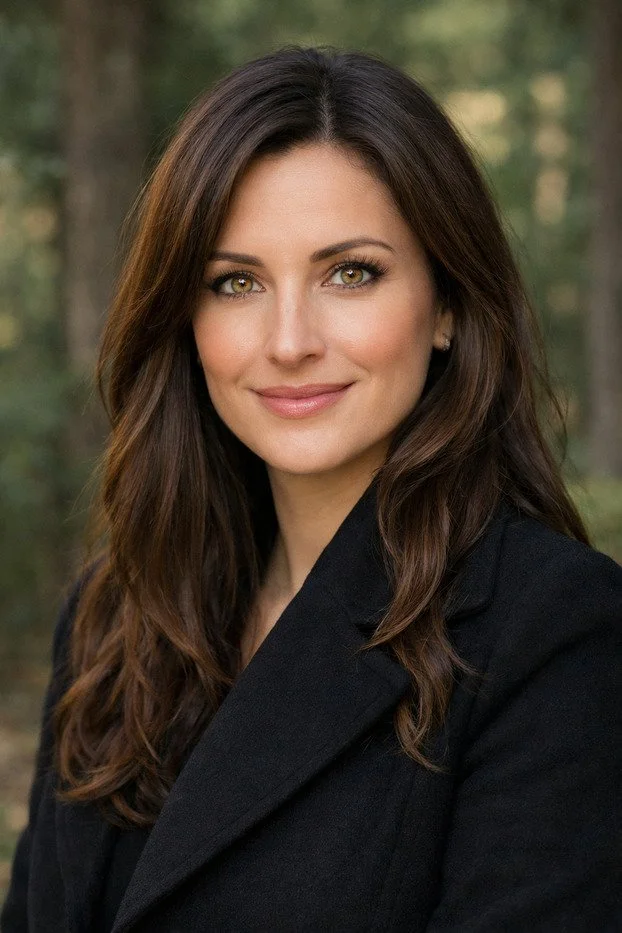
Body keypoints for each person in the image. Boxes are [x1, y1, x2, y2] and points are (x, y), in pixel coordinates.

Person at [2, 45, 621, 933]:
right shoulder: (115, 621)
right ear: (187, 320)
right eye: (236, 282)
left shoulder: (552, 632)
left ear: (447, 304)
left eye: (351, 272)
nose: (289, 339)